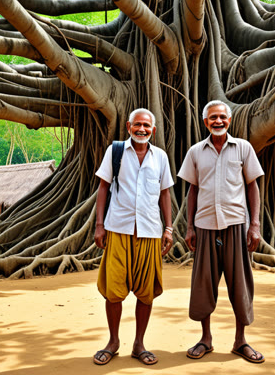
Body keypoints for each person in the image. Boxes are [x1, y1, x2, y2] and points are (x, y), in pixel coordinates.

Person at [178, 100, 265, 364]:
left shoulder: (243, 148)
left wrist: (255, 224)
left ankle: (241, 341)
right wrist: (189, 226)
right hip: (204, 226)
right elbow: (193, 189)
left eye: (222, 117)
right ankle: (206, 338)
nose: (218, 121)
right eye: (212, 118)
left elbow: (253, 186)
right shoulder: (195, 152)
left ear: (229, 120)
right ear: (205, 122)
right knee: (204, 284)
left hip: (236, 224)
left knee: (240, 284)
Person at [93, 108, 174, 366]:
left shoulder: (160, 156)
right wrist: (99, 225)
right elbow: (103, 187)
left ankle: (139, 344)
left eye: (146, 126)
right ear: (129, 126)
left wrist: (169, 229)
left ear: (153, 129)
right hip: (118, 229)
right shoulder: (115, 151)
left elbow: (165, 194)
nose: (142, 129)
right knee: (113, 291)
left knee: (146, 292)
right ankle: (113, 342)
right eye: (137, 125)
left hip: (149, 231)